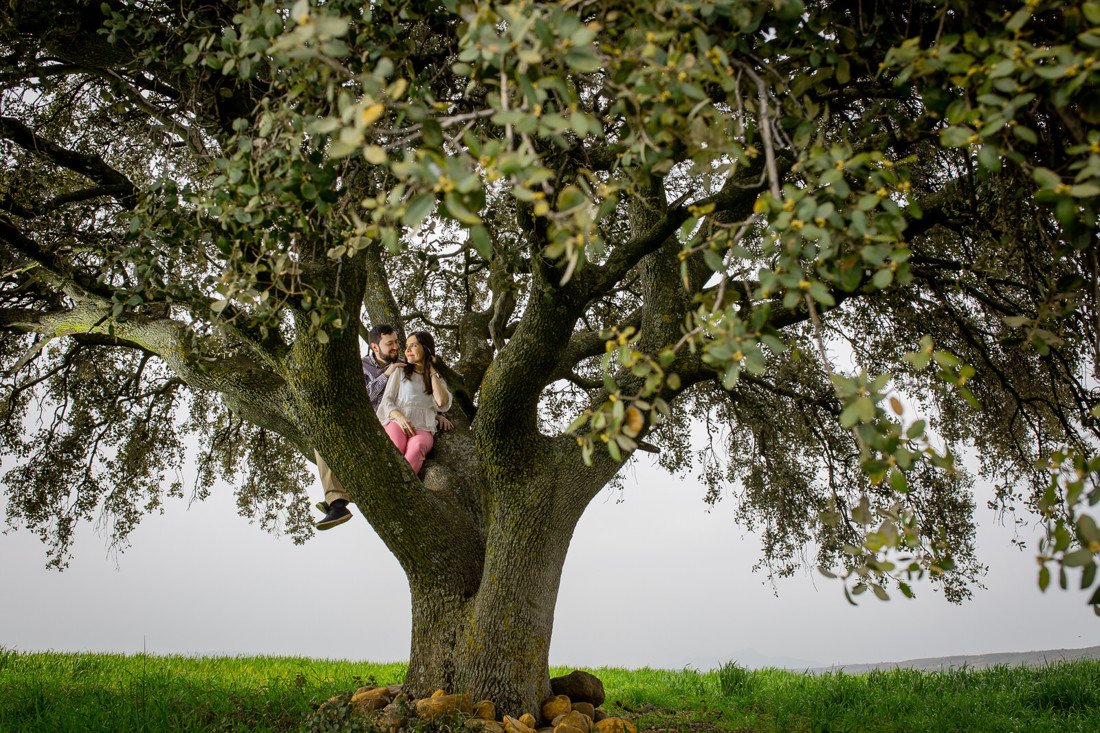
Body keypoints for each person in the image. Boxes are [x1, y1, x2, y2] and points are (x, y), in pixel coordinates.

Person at [314, 324, 452, 530]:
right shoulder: (362, 367)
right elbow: (359, 397)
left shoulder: (404, 366)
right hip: (367, 423)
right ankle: (337, 502)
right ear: (375, 347)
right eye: (391, 344)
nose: (397, 348)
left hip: (396, 426)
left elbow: (423, 396)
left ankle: (373, 492)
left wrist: (438, 414)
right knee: (322, 440)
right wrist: (385, 376)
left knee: (402, 447)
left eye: (398, 342)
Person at [376, 331, 452, 474]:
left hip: (423, 428)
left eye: (414, 345)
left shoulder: (437, 379)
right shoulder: (400, 372)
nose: (408, 350)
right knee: (396, 445)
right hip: (397, 422)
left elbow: (441, 402)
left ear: (426, 349)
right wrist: (400, 417)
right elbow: (386, 401)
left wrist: (432, 372)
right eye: (406, 346)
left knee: (417, 447)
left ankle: (401, 488)